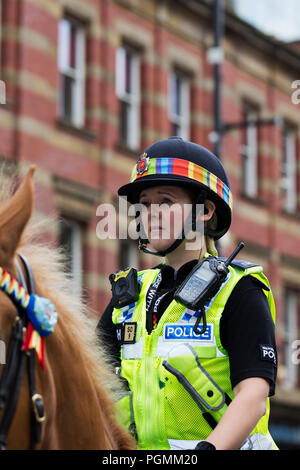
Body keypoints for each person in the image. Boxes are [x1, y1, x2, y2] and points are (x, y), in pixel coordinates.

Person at [97, 137, 278, 451]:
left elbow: (254, 396)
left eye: (165, 202)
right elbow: (87, 382)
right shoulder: (128, 297)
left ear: (205, 211)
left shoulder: (240, 290)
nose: (150, 214)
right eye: (145, 204)